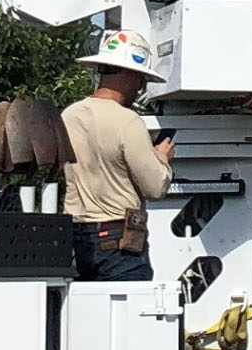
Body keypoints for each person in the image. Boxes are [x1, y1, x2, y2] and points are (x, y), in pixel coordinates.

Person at [59, 28, 173, 283]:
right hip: (119, 239)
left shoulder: (69, 115)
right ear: (130, 74)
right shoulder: (128, 121)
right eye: (140, 79)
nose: (141, 87)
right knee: (128, 315)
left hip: (78, 236)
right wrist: (162, 158)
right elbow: (155, 188)